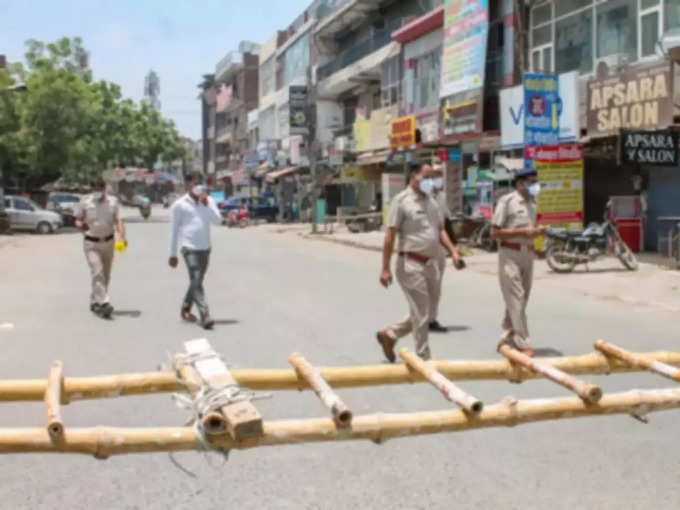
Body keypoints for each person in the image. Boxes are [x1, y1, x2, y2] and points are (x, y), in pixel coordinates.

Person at [375, 164, 463, 362]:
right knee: (422, 311)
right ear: (414, 176)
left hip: (431, 263)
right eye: (427, 176)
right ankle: (423, 356)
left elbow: (440, 230)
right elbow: (390, 235)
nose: (431, 181)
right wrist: (385, 268)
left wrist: (453, 252)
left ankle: (389, 335)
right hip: (410, 263)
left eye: (433, 177)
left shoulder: (432, 202)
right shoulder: (402, 201)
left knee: (428, 312)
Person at [490, 167, 546, 357]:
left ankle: (506, 337)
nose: (535, 185)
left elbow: (531, 229)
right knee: (517, 298)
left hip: (527, 255)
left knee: (520, 299)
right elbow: (495, 232)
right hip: (510, 254)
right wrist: (522, 233)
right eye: (532, 181)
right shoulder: (507, 202)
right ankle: (523, 343)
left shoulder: (532, 203)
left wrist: (538, 238)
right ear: (521, 183)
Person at [169, 173, 223, 329]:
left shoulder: (209, 201)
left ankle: (185, 308)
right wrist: (173, 254)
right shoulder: (179, 205)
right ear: (188, 186)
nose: (198, 187)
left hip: (205, 248)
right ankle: (205, 315)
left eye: (200, 184)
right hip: (188, 247)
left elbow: (218, 221)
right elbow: (174, 230)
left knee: (196, 280)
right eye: (194, 184)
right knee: (196, 276)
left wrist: (206, 205)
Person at [75, 179, 126, 319]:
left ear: (105, 188)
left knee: (106, 275)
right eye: (96, 188)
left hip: (109, 242)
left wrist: (122, 236)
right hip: (91, 243)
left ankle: (95, 301)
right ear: (93, 189)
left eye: (101, 188)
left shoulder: (113, 202)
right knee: (97, 272)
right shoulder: (85, 201)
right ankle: (104, 303)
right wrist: (80, 225)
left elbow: (119, 221)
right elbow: (77, 219)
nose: (98, 190)